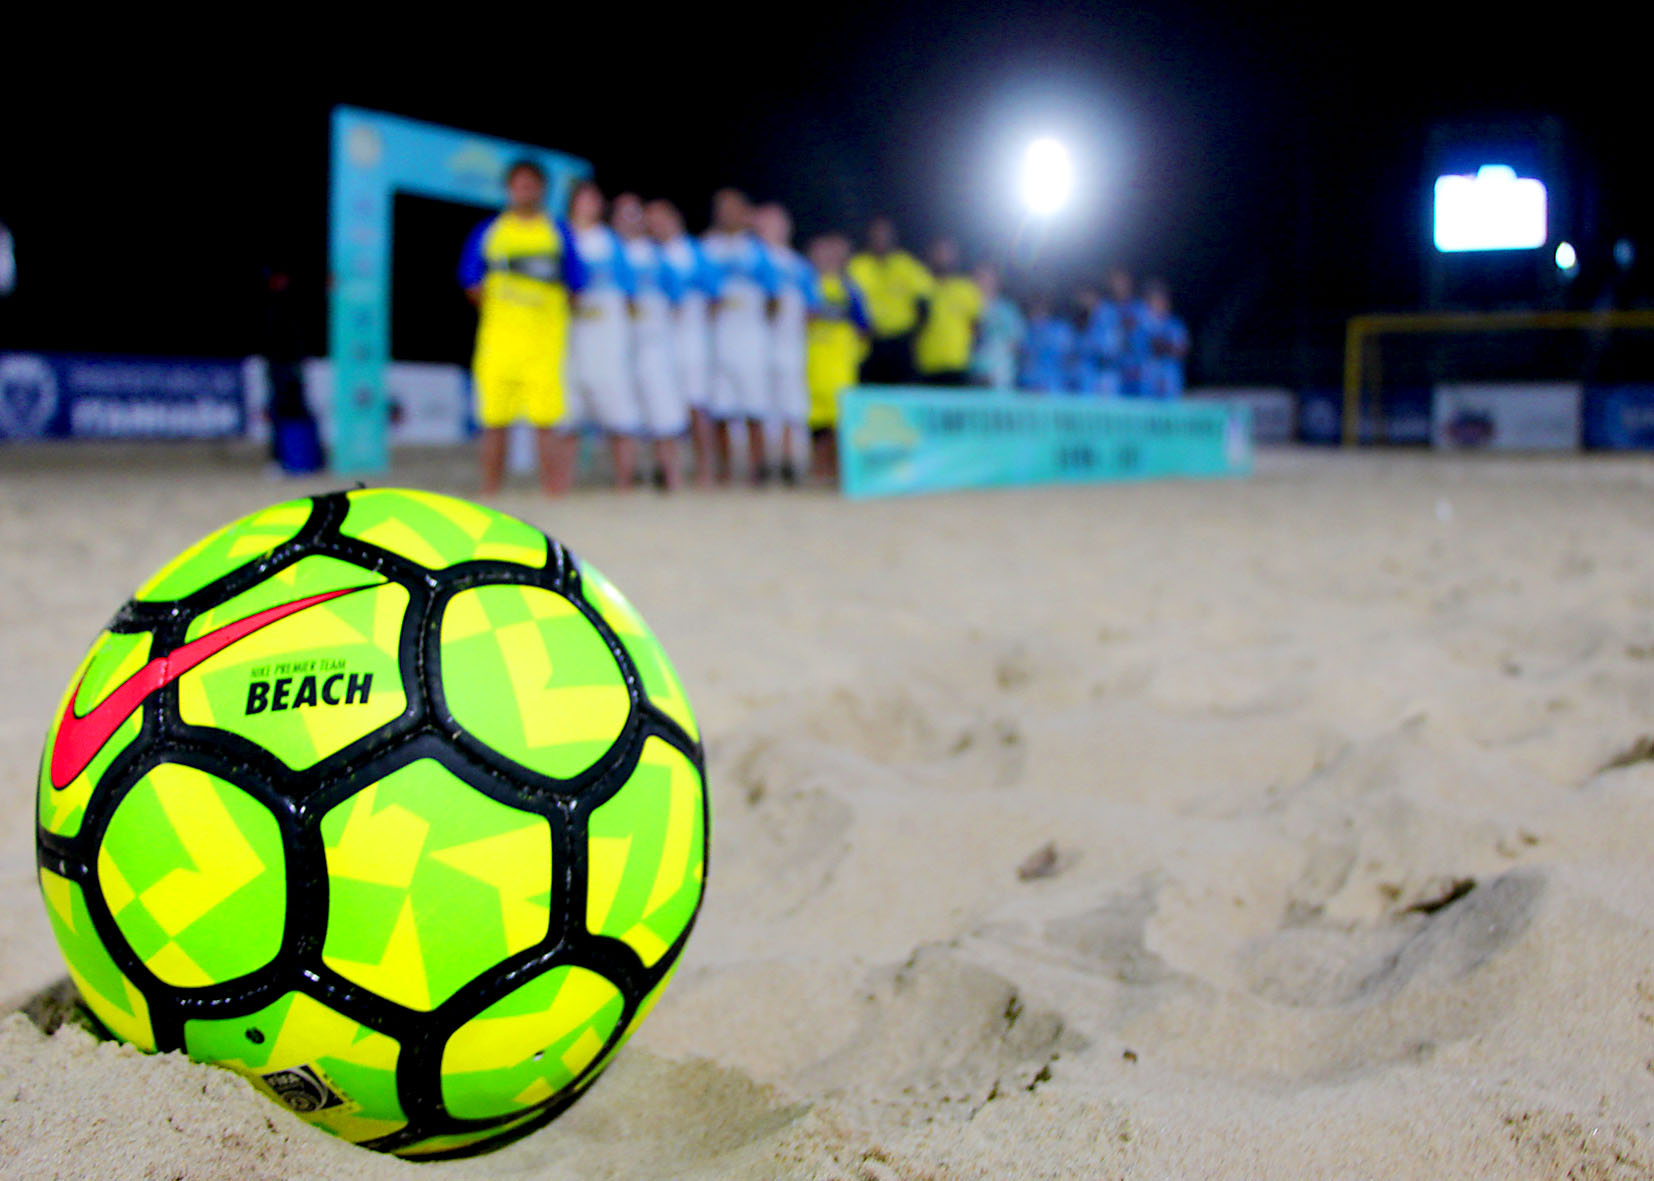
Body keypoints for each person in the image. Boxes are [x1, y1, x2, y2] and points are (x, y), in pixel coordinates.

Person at [457, 160, 586, 495]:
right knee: (494, 421)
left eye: (533, 183)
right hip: (498, 342)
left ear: (543, 189)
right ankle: (491, 492)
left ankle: (554, 494)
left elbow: (577, 284)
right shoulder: (489, 231)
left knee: (547, 422)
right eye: (520, 183)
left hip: (546, 345)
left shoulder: (557, 231)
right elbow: (470, 282)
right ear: (509, 188)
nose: (526, 188)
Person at [564, 179, 642, 489]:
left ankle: (624, 483)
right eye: (583, 199)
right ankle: (563, 485)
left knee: (619, 412)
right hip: (570, 336)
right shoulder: (562, 235)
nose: (589, 204)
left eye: (594, 199)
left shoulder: (612, 243)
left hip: (607, 339)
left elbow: (629, 296)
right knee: (567, 416)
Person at [701, 188, 779, 483]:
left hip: (751, 341)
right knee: (721, 409)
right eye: (721, 208)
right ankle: (724, 472)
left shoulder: (757, 249)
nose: (726, 213)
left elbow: (774, 297)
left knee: (754, 407)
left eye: (733, 207)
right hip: (719, 340)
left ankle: (758, 471)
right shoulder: (708, 247)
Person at [613, 193, 689, 488]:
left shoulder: (658, 255)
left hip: (653, 343)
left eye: (634, 213)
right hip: (618, 343)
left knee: (664, 409)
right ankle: (626, 479)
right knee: (622, 412)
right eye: (623, 213)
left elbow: (676, 299)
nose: (629, 219)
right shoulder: (611, 250)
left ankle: (671, 475)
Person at [648, 199, 721, 486]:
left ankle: (705, 471)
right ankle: (670, 471)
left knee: (697, 406)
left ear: (674, 217)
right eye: (651, 221)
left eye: (660, 218)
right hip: (659, 341)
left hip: (692, 341)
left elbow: (715, 296)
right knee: (663, 406)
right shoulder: (651, 254)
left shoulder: (695, 252)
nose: (656, 226)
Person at [754, 203, 817, 483]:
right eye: (765, 223)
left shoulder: (799, 265)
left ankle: (791, 463)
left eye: (775, 222)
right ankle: (765, 464)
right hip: (755, 346)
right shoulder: (751, 259)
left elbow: (811, 308)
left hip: (789, 347)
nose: (769, 229)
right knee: (761, 406)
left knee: (791, 404)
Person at [804, 232, 870, 482]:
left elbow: (864, 326)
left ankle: (838, 471)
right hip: (811, 362)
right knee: (816, 423)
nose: (826, 258)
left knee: (840, 422)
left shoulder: (851, 288)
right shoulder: (806, 283)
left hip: (840, 365)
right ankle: (818, 470)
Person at [848, 216, 933, 384]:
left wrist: (914, 335)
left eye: (885, 234)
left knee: (903, 391)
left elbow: (924, 302)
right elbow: (848, 300)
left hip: (900, 342)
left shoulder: (907, 265)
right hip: (869, 342)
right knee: (869, 391)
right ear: (869, 237)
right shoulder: (857, 266)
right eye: (876, 235)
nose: (881, 238)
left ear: (893, 237)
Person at [913, 237, 982, 385]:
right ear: (930, 255)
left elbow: (975, 326)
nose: (943, 257)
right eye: (939, 252)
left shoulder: (966, 289)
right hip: (927, 363)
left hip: (957, 364)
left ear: (955, 257)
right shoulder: (921, 285)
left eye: (947, 253)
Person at [969, 262, 1024, 390]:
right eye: (979, 277)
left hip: (1001, 379)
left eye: (988, 277)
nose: (983, 281)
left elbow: (1016, 344)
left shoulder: (1008, 310)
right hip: (971, 377)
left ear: (996, 281)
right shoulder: (967, 306)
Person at [1139, 278, 1191, 399]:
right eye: (1155, 300)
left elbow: (1182, 350)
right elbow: (1144, 348)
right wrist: (1166, 346)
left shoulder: (1175, 324)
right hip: (1148, 382)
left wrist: (1163, 345)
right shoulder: (1141, 326)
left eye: (1162, 300)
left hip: (1170, 381)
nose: (1160, 303)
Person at [1018, 294, 1077, 393]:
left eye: (1040, 309)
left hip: (1057, 388)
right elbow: (1024, 364)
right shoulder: (1026, 332)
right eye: (1034, 309)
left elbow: (1071, 359)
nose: (1037, 313)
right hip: (1031, 389)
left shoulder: (1061, 330)